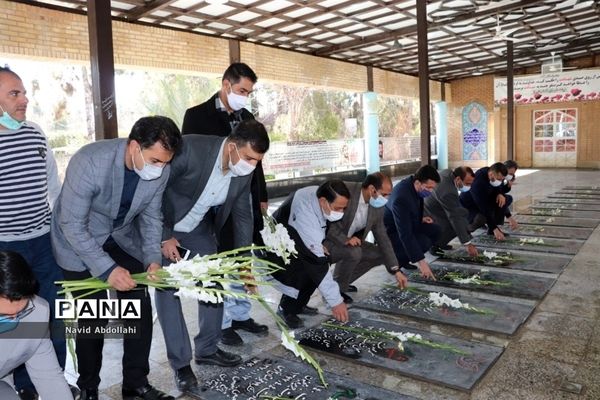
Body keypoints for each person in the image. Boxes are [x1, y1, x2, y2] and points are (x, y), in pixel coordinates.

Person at [51, 116, 181, 400]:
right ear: (134, 147)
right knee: (93, 315)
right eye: (155, 161)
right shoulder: (90, 161)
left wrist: (151, 260)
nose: (160, 169)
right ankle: (88, 387)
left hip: (119, 236)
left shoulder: (161, 170)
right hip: (77, 242)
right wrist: (107, 270)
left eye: (165, 162)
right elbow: (71, 224)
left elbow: (150, 218)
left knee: (139, 305)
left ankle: (135, 383)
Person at [157, 120, 269, 395]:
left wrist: (243, 263)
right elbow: (153, 190)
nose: (252, 166)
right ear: (232, 147)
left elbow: (244, 215)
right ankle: (181, 366)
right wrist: (164, 234)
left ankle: (207, 348)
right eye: (249, 158)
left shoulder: (244, 171)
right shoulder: (190, 149)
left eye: (257, 161)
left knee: (214, 282)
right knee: (168, 290)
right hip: (163, 225)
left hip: (197, 229)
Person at [182, 62, 267, 346]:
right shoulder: (196, 115)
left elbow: (256, 163)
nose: (245, 95)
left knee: (242, 253)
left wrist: (261, 195)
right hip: (209, 203)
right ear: (226, 84)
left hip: (240, 194)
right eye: (242, 89)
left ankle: (241, 314)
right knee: (219, 262)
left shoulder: (247, 117)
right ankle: (224, 323)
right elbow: (191, 162)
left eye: (249, 92)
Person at [0, 67, 67, 400]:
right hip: (6, 249)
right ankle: (24, 386)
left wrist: (60, 229)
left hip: (43, 241)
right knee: (17, 317)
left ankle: (55, 379)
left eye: (24, 92)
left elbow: (53, 187)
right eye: (15, 94)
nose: (25, 99)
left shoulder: (36, 134)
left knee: (52, 313)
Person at [269, 180, 350, 329]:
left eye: (343, 209)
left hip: (296, 237)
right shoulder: (305, 212)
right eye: (338, 208)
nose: (341, 213)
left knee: (320, 262)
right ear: (323, 201)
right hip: (277, 246)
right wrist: (336, 302)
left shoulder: (320, 193)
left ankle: (300, 304)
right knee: (307, 268)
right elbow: (316, 261)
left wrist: (319, 244)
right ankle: (286, 309)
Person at [323, 173, 407, 304]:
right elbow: (327, 223)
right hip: (328, 241)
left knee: (379, 253)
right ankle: (334, 290)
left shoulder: (376, 205)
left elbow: (382, 235)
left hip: (351, 240)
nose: (387, 199)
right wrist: (345, 239)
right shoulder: (346, 192)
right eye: (384, 194)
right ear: (372, 189)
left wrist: (395, 269)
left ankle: (340, 283)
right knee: (354, 252)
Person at [0, 251, 73, 400]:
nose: (14, 320)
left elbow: (48, 376)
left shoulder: (38, 313)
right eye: (3, 316)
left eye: (21, 311)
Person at [384, 165, 441, 279]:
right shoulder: (401, 197)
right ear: (418, 182)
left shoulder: (413, 185)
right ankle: (396, 263)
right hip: (392, 232)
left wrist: (421, 218)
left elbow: (409, 212)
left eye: (432, 188)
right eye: (428, 187)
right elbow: (405, 234)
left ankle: (406, 258)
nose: (430, 191)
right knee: (423, 242)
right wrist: (422, 263)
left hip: (408, 223)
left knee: (435, 230)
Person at [426, 167, 480, 257]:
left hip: (437, 204)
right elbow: (455, 217)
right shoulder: (447, 192)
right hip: (429, 210)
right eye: (467, 183)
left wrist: (467, 236)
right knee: (454, 224)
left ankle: (441, 242)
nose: (469, 187)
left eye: (471, 184)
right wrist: (467, 244)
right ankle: (434, 245)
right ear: (458, 179)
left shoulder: (450, 173)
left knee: (463, 213)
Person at [459, 162, 509, 240]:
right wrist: (494, 228)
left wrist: (500, 194)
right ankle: (466, 231)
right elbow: (483, 206)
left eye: (502, 179)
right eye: (499, 179)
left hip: (483, 200)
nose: (500, 181)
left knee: (504, 198)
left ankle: (492, 229)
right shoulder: (477, 183)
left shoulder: (492, 174)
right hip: (469, 205)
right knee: (482, 217)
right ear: (491, 174)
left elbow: (499, 187)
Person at [497, 160, 519, 230]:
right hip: (482, 201)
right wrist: (510, 218)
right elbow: (499, 192)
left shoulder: (505, 177)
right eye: (510, 173)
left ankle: (497, 223)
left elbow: (502, 190)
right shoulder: (496, 177)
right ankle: (496, 225)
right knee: (502, 200)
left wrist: (508, 185)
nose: (511, 175)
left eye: (512, 174)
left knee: (508, 198)